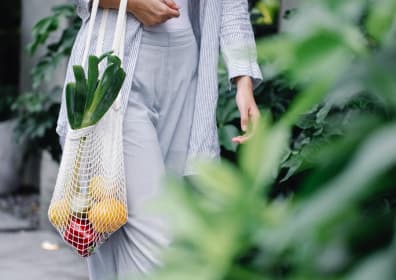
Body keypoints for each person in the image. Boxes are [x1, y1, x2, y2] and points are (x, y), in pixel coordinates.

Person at [56, 0, 263, 279]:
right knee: (156, 235)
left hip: (185, 69)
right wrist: (131, 4)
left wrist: (243, 79)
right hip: (118, 66)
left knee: (111, 223)